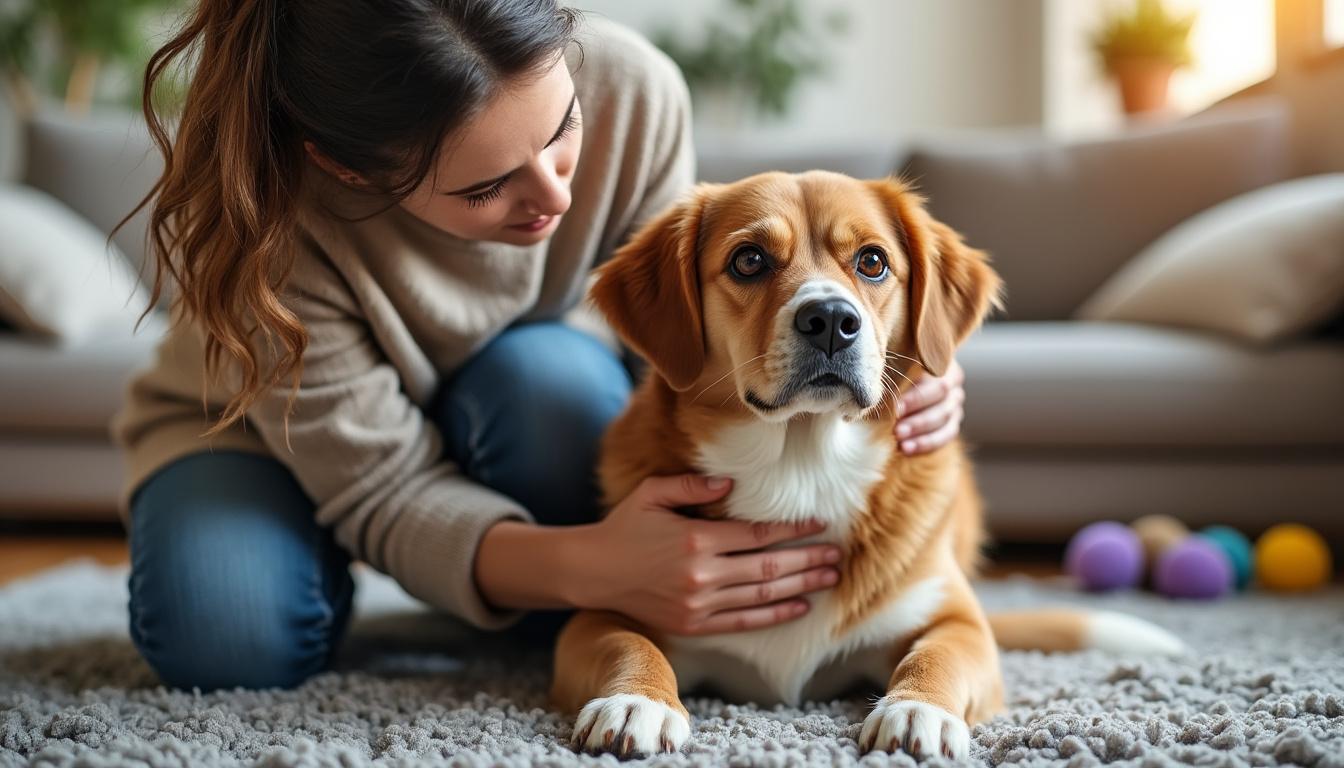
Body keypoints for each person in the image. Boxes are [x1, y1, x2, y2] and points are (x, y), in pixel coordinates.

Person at [112, 0, 970, 692]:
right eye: (487, 185)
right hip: (259, 430)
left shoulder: (635, 89)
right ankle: (324, 562)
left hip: (509, 393)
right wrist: (588, 565)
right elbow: (380, 488)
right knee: (225, 639)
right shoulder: (266, 223)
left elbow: (682, 350)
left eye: (562, 129)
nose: (554, 194)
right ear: (347, 169)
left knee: (545, 380)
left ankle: (509, 589)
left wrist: (901, 357)